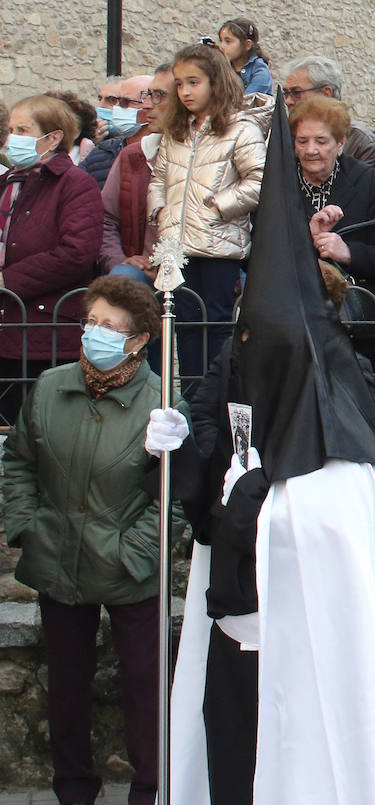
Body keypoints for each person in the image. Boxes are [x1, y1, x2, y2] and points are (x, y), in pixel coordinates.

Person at [169, 99, 375, 803]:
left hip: (319, 667)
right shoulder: (235, 373)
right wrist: (175, 453)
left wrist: (257, 504)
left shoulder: (351, 468)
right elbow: (201, 494)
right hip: (240, 640)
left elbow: (327, 545)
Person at [3, 276, 194, 805]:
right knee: (65, 686)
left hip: (129, 566)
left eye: (110, 327)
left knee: (143, 687)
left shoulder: (162, 404)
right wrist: (27, 526)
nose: (95, 334)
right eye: (91, 322)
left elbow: (174, 494)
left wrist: (131, 551)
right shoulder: (49, 387)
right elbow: (18, 461)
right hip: (57, 556)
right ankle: (72, 789)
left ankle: (149, 789)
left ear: (137, 341)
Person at [149, 43, 267, 394]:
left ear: (215, 82)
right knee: (183, 323)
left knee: (213, 324)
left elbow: (259, 179)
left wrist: (219, 205)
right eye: (180, 84)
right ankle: (190, 397)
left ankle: (214, 397)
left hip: (218, 246)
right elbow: (159, 178)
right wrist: (159, 210)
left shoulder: (240, 129)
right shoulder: (176, 131)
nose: (185, 91)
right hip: (177, 244)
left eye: (194, 82)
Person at [0, 94, 103, 425]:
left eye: (24, 129)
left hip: (45, 329)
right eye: (11, 129)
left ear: (53, 137)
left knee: (36, 430)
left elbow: (76, 252)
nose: (13, 137)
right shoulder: (6, 183)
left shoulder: (74, 184)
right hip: (6, 326)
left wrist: (7, 282)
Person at [290, 96, 375, 371]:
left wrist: (348, 252)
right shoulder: (282, 179)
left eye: (321, 141)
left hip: (351, 310)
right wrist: (308, 238)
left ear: (340, 144)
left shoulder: (362, 178)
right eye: (302, 141)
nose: (310, 150)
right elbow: (260, 250)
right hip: (295, 306)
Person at [101, 66, 172, 286]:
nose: (149, 104)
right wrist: (121, 263)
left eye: (159, 96)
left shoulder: (213, 156)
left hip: (194, 277)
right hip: (141, 278)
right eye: (149, 95)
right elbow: (104, 219)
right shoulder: (133, 155)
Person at [280, 56, 375, 184]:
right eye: (286, 93)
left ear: (326, 93)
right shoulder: (284, 137)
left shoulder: (363, 145)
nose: (288, 101)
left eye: (296, 92)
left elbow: (372, 199)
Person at [80, 75, 153, 189]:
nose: (117, 108)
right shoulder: (102, 151)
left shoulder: (164, 156)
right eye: (117, 101)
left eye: (125, 102)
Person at [217, 18, 272, 95]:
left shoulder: (259, 70)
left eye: (228, 41)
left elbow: (248, 101)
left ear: (247, 44)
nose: (222, 46)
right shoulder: (224, 67)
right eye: (221, 41)